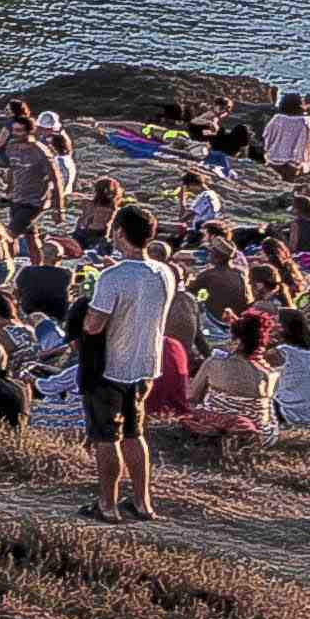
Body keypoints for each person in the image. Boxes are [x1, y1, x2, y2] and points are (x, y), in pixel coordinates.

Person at [82, 201, 177, 524]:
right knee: (135, 433)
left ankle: (107, 504)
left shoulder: (112, 277)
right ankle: (142, 501)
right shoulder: (166, 272)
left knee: (107, 437)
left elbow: (94, 325)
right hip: (147, 362)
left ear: (120, 232)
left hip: (112, 364)